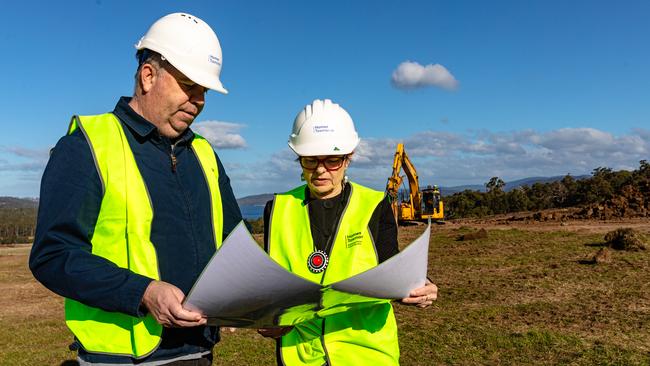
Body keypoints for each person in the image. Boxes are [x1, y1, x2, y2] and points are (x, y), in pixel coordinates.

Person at [29, 13, 242, 365]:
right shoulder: (88, 145)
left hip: (200, 351)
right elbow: (53, 255)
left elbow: (233, 244)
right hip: (119, 358)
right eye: (189, 86)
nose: (198, 101)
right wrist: (143, 292)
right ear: (148, 75)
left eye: (203, 91)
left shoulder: (204, 153)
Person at [259, 99, 438, 365]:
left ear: (348, 157)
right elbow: (268, 283)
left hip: (365, 353)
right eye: (310, 160)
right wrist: (266, 318)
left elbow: (391, 265)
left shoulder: (374, 205)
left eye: (332, 160)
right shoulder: (277, 209)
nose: (320, 170)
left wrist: (421, 287)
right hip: (300, 355)